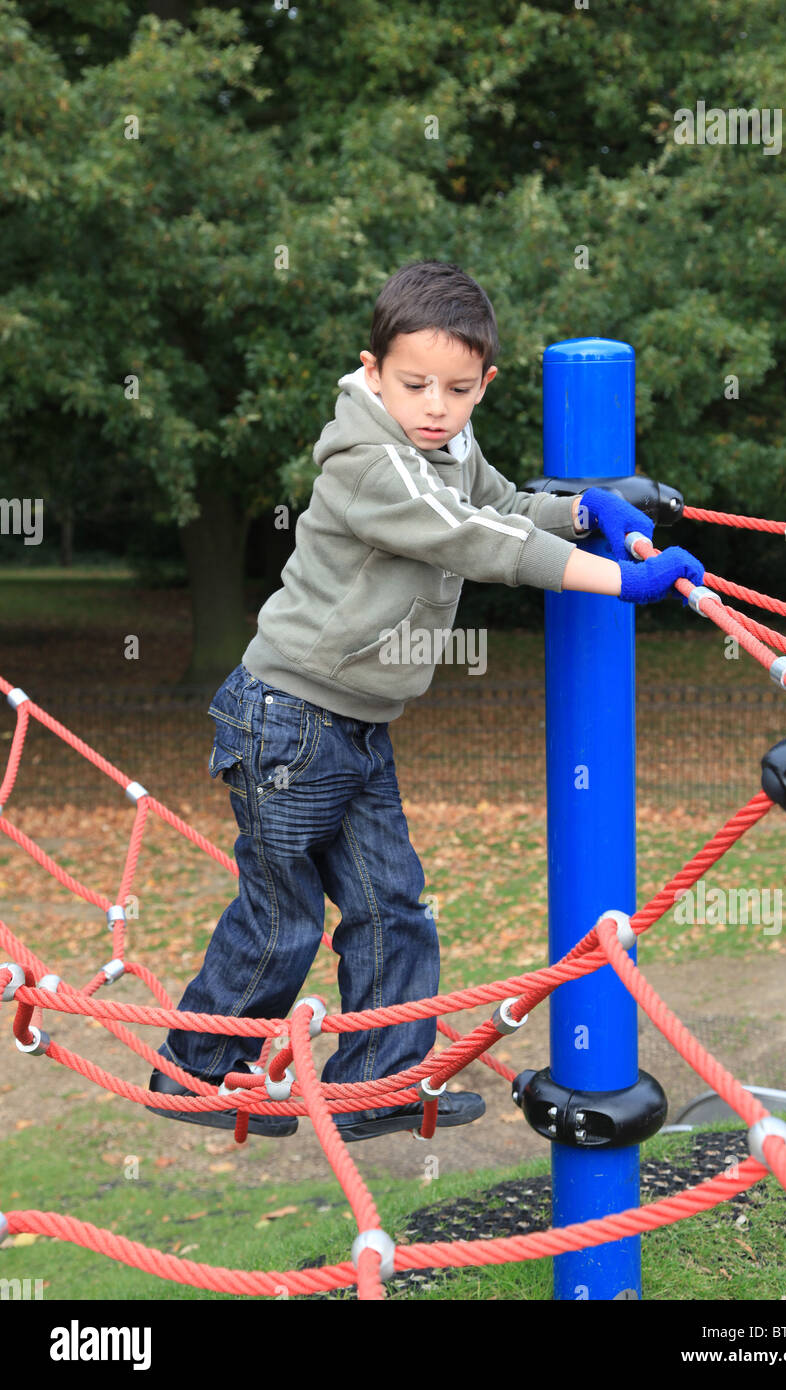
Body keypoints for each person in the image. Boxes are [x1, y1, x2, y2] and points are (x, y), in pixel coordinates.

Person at [146, 259, 703, 1141]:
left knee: (392, 907)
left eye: (456, 388)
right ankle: (194, 1072)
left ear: (485, 384)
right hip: (287, 719)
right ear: (372, 373)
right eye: (413, 385)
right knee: (281, 917)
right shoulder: (372, 461)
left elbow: (506, 508)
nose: (434, 406)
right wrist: (617, 583)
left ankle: (379, 1085)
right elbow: (471, 538)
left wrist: (585, 515)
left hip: (359, 725)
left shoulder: (450, 447)